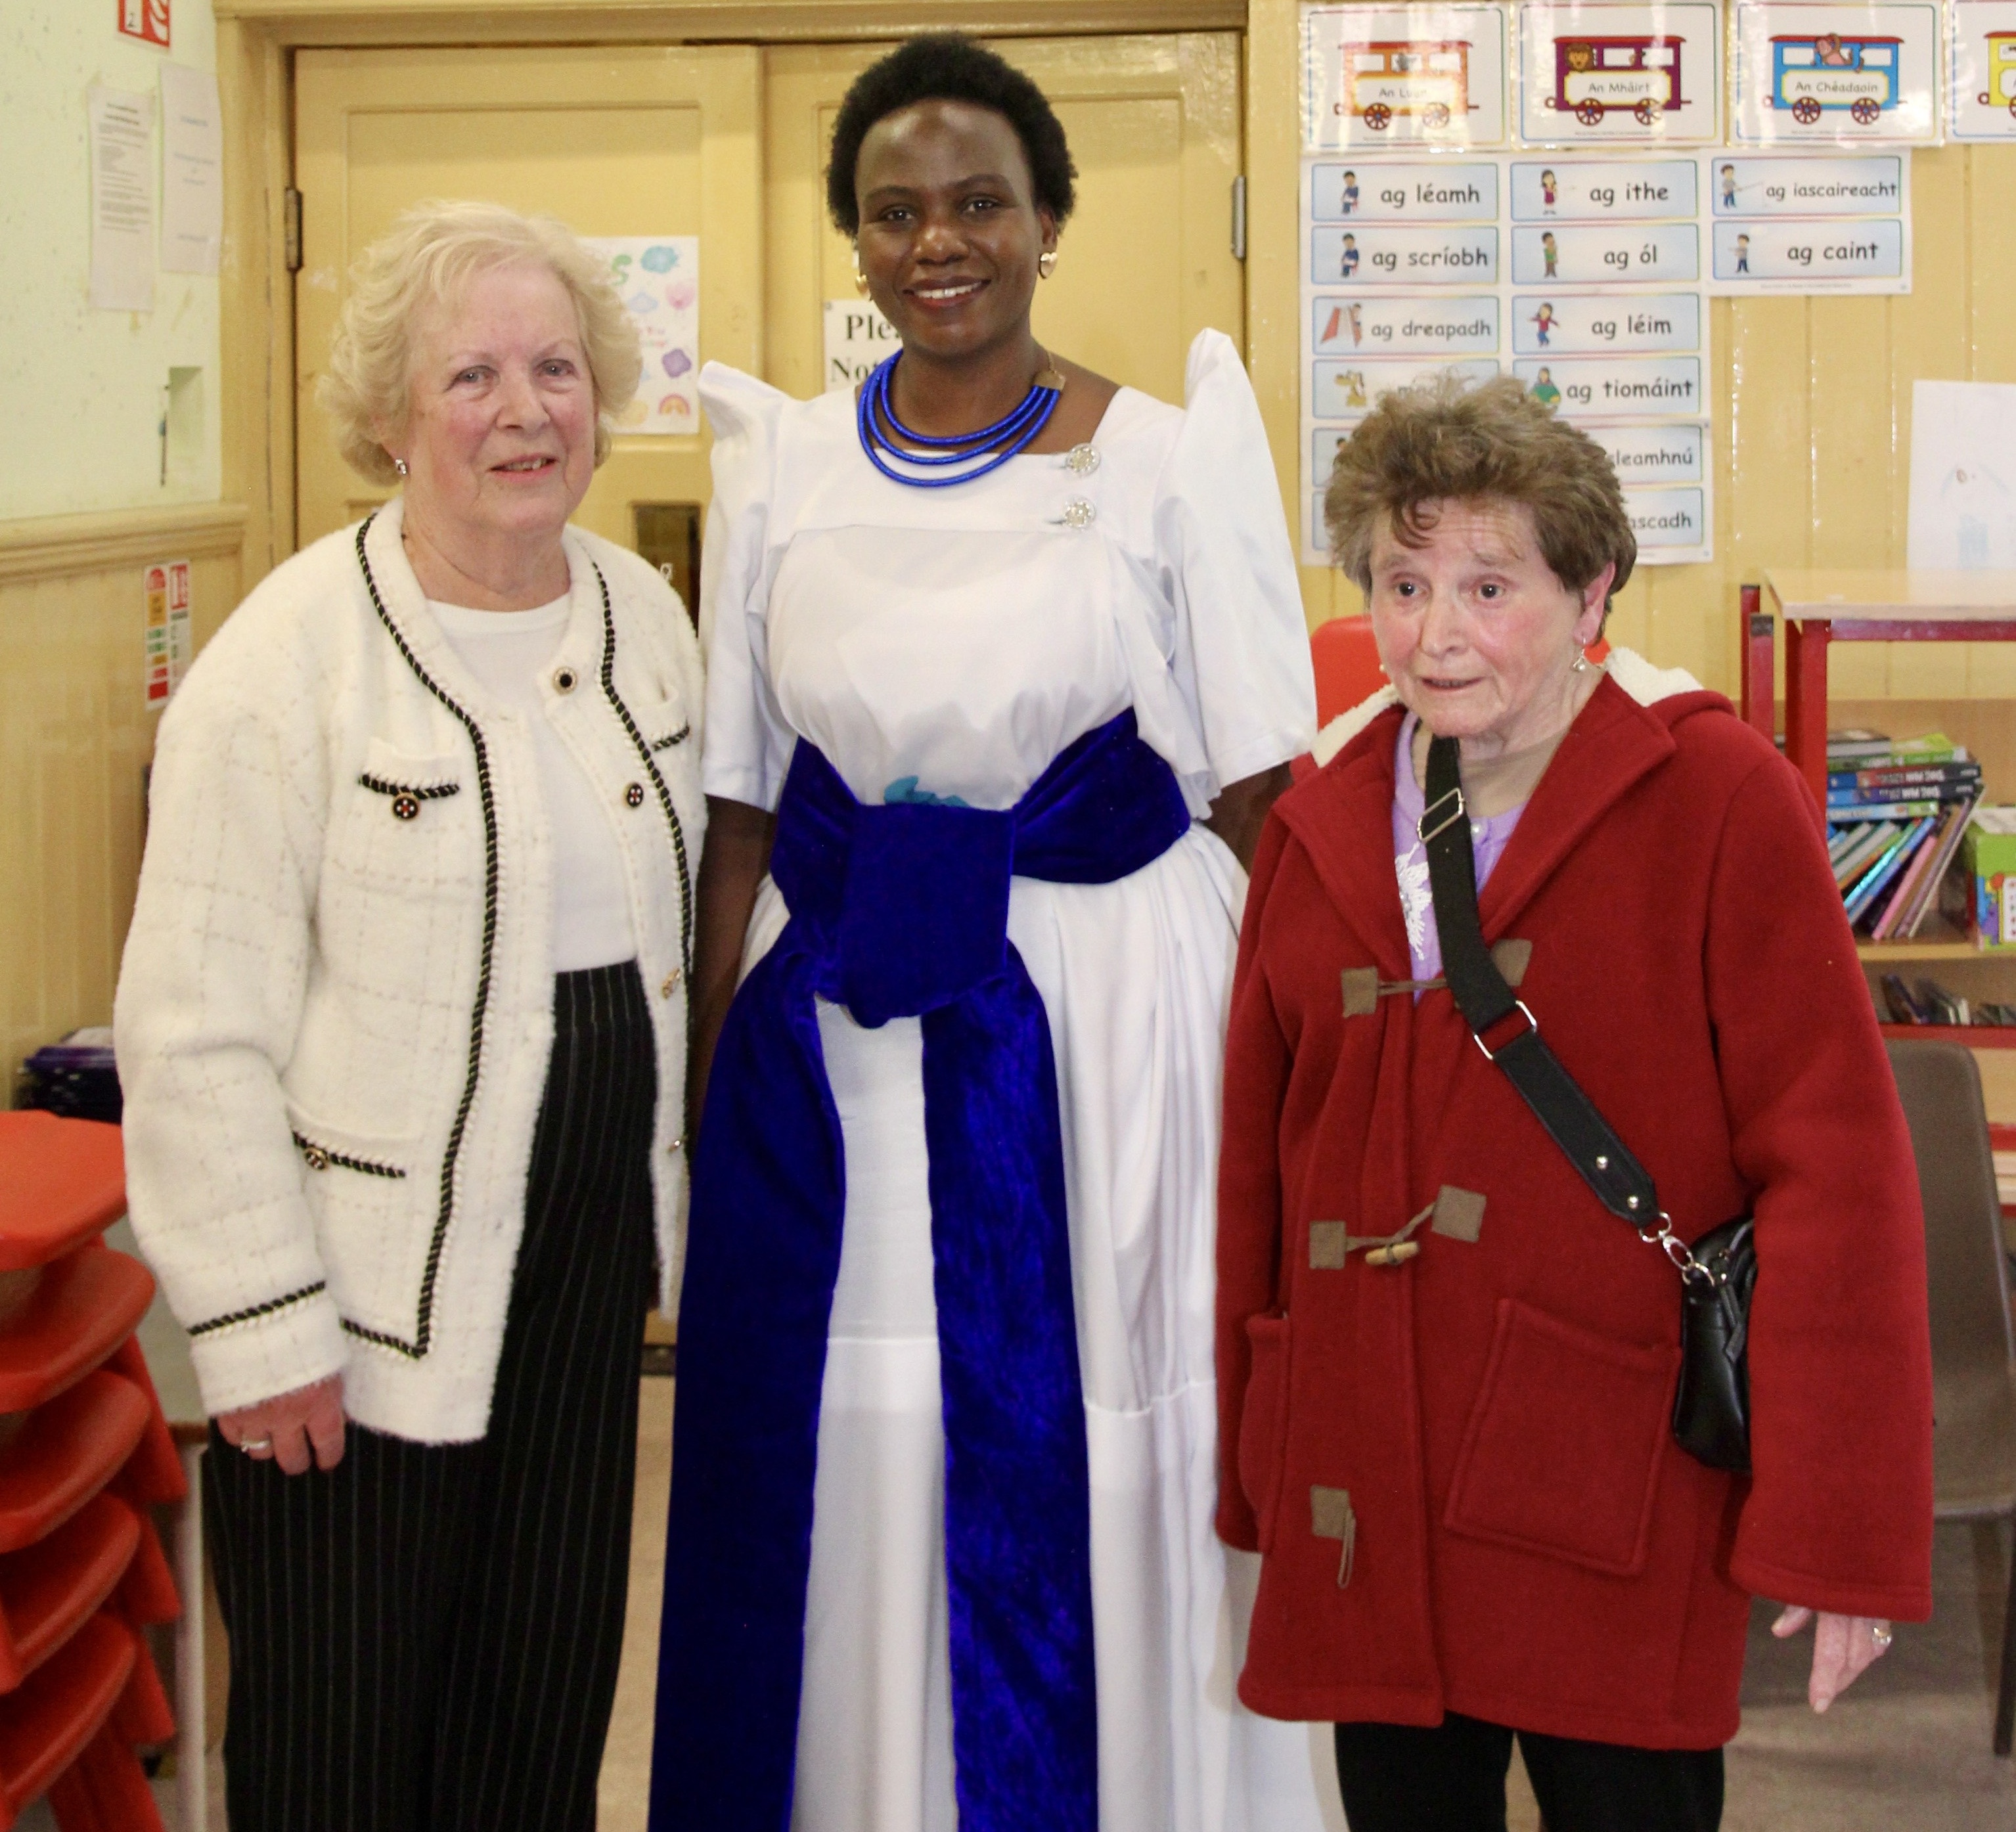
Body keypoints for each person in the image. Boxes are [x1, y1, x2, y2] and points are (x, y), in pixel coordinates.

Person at [650, 32, 1329, 1832]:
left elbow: (1263, 789)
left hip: (1096, 1015)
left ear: (1047, 221)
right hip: (841, 1022)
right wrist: (709, 1071)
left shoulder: (1171, 456)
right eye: (892, 213)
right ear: (853, 243)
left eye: (975, 204)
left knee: (1071, 1412)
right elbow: (738, 794)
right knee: (852, 1418)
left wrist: (1325, 1072)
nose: (933, 241)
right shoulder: (783, 463)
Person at [1215, 376, 1933, 1832]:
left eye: (1490, 584)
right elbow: (1258, 1169)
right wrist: (1261, 1456)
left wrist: (1836, 1528)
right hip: (1363, 1461)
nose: (1436, 631)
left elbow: (1835, 1170)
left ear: (1590, 587)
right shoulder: (1321, 808)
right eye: (1402, 583)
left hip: (1602, 1468)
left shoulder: (1712, 791)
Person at [114, 199, 706, 1829]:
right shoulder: (284, 665)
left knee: (540, 1700)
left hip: (586, 1278)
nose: (525, 412)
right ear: (389, 417)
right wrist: (255, 1327)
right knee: (340, 1742)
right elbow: (190, 1027)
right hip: (354, 1318)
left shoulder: (639, 619)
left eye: (557, 369)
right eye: (471, 378)